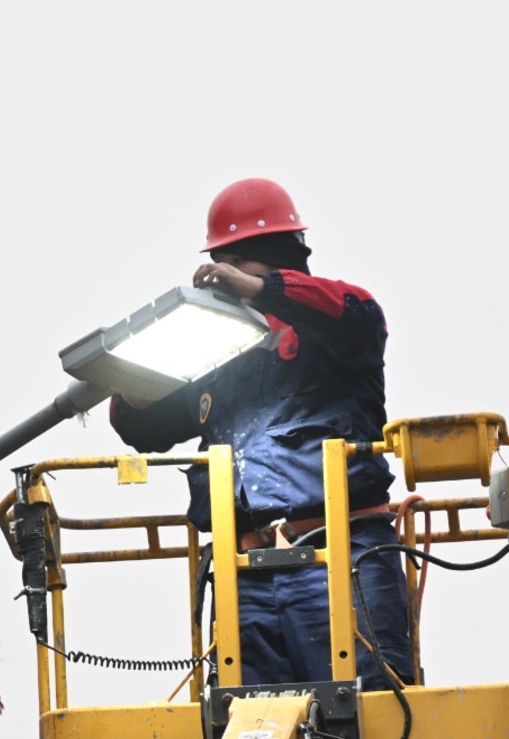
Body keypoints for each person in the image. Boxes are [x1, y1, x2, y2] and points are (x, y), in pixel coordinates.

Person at [110, 178, 414, 689]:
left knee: (368, 716)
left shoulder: (337, 327)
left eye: (236, 264)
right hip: (243, 569)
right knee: (249, 730)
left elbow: (353, 309)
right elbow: (144, 428)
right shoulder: (216, 353)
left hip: (344, 557)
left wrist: (265, 291)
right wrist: (128, 384)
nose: (223, 278)